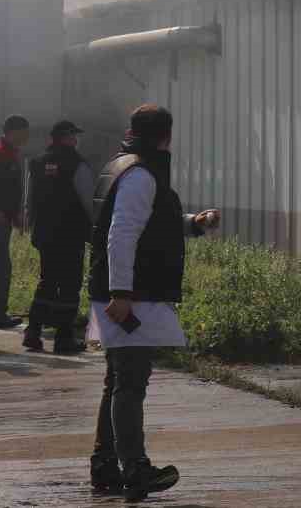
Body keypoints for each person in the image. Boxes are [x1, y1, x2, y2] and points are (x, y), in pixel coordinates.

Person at [87, 105, 221, 500]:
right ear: (167, 136)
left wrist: (192, 224)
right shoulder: (142, 174)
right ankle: (135, 470)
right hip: (131, 297)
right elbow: (122, 234)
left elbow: (147, 222)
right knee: (129, 383)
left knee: (118, 382)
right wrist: (121, 295)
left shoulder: (121, 166)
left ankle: (106, 466)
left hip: (121, 292)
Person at [23, 120, 93, 354]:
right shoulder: (78, 164)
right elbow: (88, 201)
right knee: (70, 285)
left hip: (45, 233)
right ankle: (64, 338)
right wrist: (96, 227)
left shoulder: (37, 162)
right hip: (71, 233)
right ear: (67, 137)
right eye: (74, 135)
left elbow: (30, 198)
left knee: (47, 282)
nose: (77, 140)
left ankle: (33, 333)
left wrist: (29, 223)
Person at [0, 114, 29, 328]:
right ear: (14, 131)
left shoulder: (10, 153)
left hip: (5, 217)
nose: (27, 136)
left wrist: (16, 213)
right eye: (24, 131)